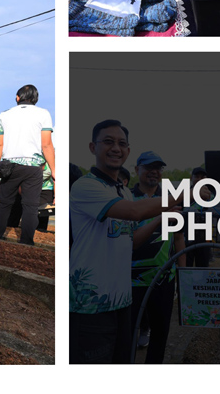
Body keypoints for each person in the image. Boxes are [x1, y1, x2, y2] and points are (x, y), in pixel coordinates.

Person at [69, 120, 180, 364]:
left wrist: (162, 217)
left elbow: (133, 242)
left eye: (121, 143)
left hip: (122, 300)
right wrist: (185, 194)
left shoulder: (124, 191)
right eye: (108, 142)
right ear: (92, 147)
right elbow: (133, 212)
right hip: (91, 303)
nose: (115, 148)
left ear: (128, 151)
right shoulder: (85, 186)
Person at [130, 151, 186, 364]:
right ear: (137, 170)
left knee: (160, 335)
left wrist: (181, 274)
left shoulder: (170, 200)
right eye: (148, 167)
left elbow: (179, 239)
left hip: (163, 279)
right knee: (128, 335)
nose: (154, 172)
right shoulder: (127, 198)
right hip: (131, 280)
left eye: (158, 168)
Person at [0, 84, 55, 246]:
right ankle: (26, 242)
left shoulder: (5, 115)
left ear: (17, 98)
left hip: (9, 166)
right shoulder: (43, 114)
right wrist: (54, 169)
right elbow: (46, 145)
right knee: (30, 206)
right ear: (35, 98)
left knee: (4, 203)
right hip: (33, 167)